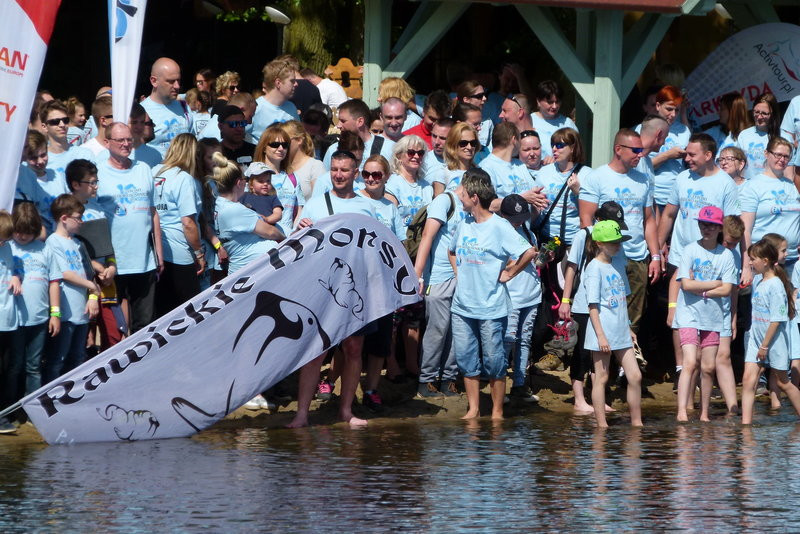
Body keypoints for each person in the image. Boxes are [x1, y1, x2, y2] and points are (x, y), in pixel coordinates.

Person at [290, 150, 378, 428]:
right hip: (321, 285)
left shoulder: (367, 206)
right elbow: (296, 241)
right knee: (315, 351)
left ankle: (346, 411)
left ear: (356, 173)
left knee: (354, 349)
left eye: (345, 170)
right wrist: (299, 228)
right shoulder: (315, 204)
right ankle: (302, 413)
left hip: (357, 286)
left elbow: (375, 249)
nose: (339, 175)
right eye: (335, 170)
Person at [449, 168, 536, 419]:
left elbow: (528, 252)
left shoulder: (499, 226)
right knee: (466, 359)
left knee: (494, 361)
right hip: (462, 307)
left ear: (474, 196)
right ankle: (474, 409)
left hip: (491, 307)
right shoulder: (464, 223)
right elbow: (452, 251)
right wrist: (459, 274)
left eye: (463, 193)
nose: (460, 197)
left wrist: (509, 273)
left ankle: (497, 412)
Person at [581, 129, 662, 337]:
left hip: (637, 256)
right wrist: (597, 256)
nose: (640, 155)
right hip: (608, 256)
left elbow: (649, 220)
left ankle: (626, 364)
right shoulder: (596, 177)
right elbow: (586, 221)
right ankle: (601, 363)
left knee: (635, 314)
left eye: (642, 150)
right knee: (605, 309)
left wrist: (655, 255)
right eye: (635, 150)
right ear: (618, 149)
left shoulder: (644, 180)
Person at [560, 202, 627, 414]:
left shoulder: (616, 241)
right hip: (582, 303)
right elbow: (572, 267)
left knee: (601, 352)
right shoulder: (584, 235)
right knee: (581, 352)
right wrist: (565, 300)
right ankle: (579, 398)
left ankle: (597, 397)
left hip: (606, 305)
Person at [96, 122, 163, 333]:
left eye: (129, 140)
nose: (126, 144)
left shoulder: (143, 169)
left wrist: (159, 253)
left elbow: (152, 213)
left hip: (144, 261)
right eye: (120, 140)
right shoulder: (98, 172)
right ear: (107, 143)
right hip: (113, 262)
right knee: (117, 329)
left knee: (145, 324)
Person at [673, 206, 737, 422]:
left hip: (713, 317)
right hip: (689, 313)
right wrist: (714, 284)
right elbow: (685, 285)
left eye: (711, 225)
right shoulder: (690, 250)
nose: (706, 228)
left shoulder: (726, 255)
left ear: (719, 228)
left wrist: (701, 288)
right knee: (690, 362)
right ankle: (682, 411)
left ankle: (704, 413)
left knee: (708, 367)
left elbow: (728, 289)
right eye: (702, 224)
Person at [582, 220, 642, 428]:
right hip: (602, 329)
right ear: (599, 243)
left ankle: (637, 422)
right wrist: (600, 335)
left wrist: (628, 327)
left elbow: (623, 299)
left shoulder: (618, 264)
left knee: (635, 375)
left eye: (619, 241)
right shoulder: (594, 268)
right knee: (602, 376)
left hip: (620, 330)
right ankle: (602, 424)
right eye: (612, 242)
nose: (617, 245)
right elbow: (593, 306)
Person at [357, 155, 405, 410]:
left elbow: (400, 245)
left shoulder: (391, 207)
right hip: (356, 283)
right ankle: (331, 383)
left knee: (380, 340)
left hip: (383, 284)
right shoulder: (355, 200)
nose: (371, 179)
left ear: (386, 176)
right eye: (367, 174)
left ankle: (372, 389)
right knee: (350, 340)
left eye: (377, 175)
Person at [413, 161, 464, 398]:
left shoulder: (472, 207)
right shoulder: (445, 200)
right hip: (439, 277)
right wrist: (418, 274)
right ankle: (426, 380)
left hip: (462, 278)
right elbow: (427, 236)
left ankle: (448, 379)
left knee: (456, 331)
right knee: (437, 330)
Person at [41, 194, 100, 383]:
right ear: (64, 218)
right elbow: (65, 273)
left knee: (77, 357)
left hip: (81, 312)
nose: (82, 222)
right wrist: (91, 286)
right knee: (58, 359)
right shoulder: (53, 242)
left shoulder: (78, 243)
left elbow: (89, 272)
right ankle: (52, 398)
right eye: (78, 218)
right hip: (66, 313)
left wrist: (92, 297)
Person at [65, 159, 122, 351]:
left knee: (114, 335)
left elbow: (108, 246)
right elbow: (68, 249)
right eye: (92, 182)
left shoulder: (98, 209)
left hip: (105, 283)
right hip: (81, 285)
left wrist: (111, 266)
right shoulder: (66, 211)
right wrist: (95, 266)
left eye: (97, 181)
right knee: (83, 341)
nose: (96, 186)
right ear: (76, 184)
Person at [7, 204, 59, 412]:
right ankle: (10, 409)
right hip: (15, 319)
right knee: (14, 365)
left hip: (39, 318)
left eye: (28, 233)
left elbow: (54, 281)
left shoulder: (44, 249)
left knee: (34, 366)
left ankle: (34, 410)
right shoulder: (7, 247)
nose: (22, 236)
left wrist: (55, 313)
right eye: (18, 231)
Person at [741, 240, 800, 425]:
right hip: (756, 339)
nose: (750, 263)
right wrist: (757, 341)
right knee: (748, 380)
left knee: (783, 382)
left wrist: (765, 345)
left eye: (753, 259)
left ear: (765, 261)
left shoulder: (775, 285)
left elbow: (776, 319)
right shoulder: (759, 281)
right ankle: (746, 424)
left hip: (773, 341)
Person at [152, 133, 205, 317]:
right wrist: (199, 253)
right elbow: (188, 222)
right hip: (180, 251)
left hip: (156, 251)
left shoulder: (153, 172)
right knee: (188, 312)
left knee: (162, 310)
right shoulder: (184, 178)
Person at [498, 194, 542, 401]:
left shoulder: (528, 232)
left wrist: (542, 258)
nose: (518, 222)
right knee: (507, 340)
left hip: (531, 294)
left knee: (524, 340)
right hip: (511, 296)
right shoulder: (498, 233)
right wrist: (516, 264)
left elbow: (534, 263)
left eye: (522, 217)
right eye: (514, 219)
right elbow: (497, 267)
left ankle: (520, 384)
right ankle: (500, 386)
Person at [739, 137, 799, 285]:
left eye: (786, 156)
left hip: (791, 259)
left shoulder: (791, 186)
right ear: (766, 154)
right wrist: (746, 266)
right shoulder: (753, 186)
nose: (782, 159)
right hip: (764, 262)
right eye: (778, 155)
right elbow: (745, 229)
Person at [536, 127, 591, 246]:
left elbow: (593, 212)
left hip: (573, 241)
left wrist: (578, 193)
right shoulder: (543, 172)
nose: (554, 149)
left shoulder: (588, 175)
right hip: (546, 238)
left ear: (572, 148)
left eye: (560, 145)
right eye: (553, 145)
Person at [253, 125, 304, 237]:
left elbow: (299, 210)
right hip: (263, 237)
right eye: (275, 145)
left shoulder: (293, 177)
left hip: (288, 238)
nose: (281, 149)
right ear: (264, 147)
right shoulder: (253, 175)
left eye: (285, 145)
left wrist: (294, 234)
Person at [16, 129, 68, 233]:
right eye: (33, 158)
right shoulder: (26, 177)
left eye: (43, 155)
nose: (40, 161)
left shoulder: (58, 176)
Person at [647, 86, 690, 211]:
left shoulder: (683, 130)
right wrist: (668, 155)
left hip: (679, 197)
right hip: (654, 196)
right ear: (658, 106)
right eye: (669, 109)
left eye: (677, 110)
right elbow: (641, 167)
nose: (673, 114)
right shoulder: (645, 129)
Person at [141, 57, 192, 158]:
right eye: (171, 81)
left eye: (178, 80)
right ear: (154, 81)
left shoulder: (184, 107)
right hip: (156, 172)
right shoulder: (141, 112)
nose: (177, 86)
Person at [323, 99, 395, 169]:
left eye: (343, 121)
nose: (338, 126)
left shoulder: (389, 148)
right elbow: (325, 179)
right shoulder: (333, 150)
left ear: (360, 121)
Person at [0, 210, 22, 433]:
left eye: (5, 240)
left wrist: (16, 276)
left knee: (9, 368)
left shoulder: (7, 248)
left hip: (9, 319)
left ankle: (4, 412)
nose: (2, 243)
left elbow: (12, 270)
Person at [386, 135, 434, 233]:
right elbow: (389, 220)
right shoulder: (393, 183)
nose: (416, 156)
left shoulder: (427, 187)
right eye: (411, 152)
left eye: (420, 153)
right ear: (399, 155)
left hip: (421, 240)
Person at [39, 100, 95, 181]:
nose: (62, 125)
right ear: (44, 127)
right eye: (55, 121)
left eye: (65, 120)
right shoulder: (40, 160)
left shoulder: (84, 154)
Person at [251, 58, 299, 142]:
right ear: (278, 83)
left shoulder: (292, 108)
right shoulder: (256, 108)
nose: (296, 84)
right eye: (292, 81)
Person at [737, 93, 780, 181]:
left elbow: (789, 171)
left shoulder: (783, 136)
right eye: (756, 112)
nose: (759, 117)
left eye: (764, 113)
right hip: (749, 188)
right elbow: (738, 165)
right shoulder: (744, 135)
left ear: (773, 114)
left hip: (773, 187)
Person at [532, 80, 579, 160]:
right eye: (550, 102)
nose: (554, 106)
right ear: (538, 101)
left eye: (557, 102)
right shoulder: (530, 121)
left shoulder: (568, 123)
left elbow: (577, 152)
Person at [280, 120, 325, 200]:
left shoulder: (315, 166)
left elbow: (320, 201)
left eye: (285, 141)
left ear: (299, 140)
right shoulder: (279, 165)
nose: (281, 146)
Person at [431, 122, 479, 196]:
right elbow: (438, 205)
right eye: (463, 143)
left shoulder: (480, 173)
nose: (469, 147)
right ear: (453, 145)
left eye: (473, 143)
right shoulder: (442, 173)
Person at [455, 80, 495, 147]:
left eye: (484, 95)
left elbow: (490, 150)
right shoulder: (450, 121)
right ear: (466, 100)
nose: (484, 98)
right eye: (480, 96)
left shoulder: (488, 122)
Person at [217, 105, 256, 169]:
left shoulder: (255, 151)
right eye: (233, 124)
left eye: (242, 123)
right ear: (221, 126)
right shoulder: (216, 154)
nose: (239, 128)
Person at [420, 118, 454, 185]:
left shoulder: (463, 162)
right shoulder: (422, 161)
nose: (436, 142)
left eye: (443, 138)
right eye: (434, 136)